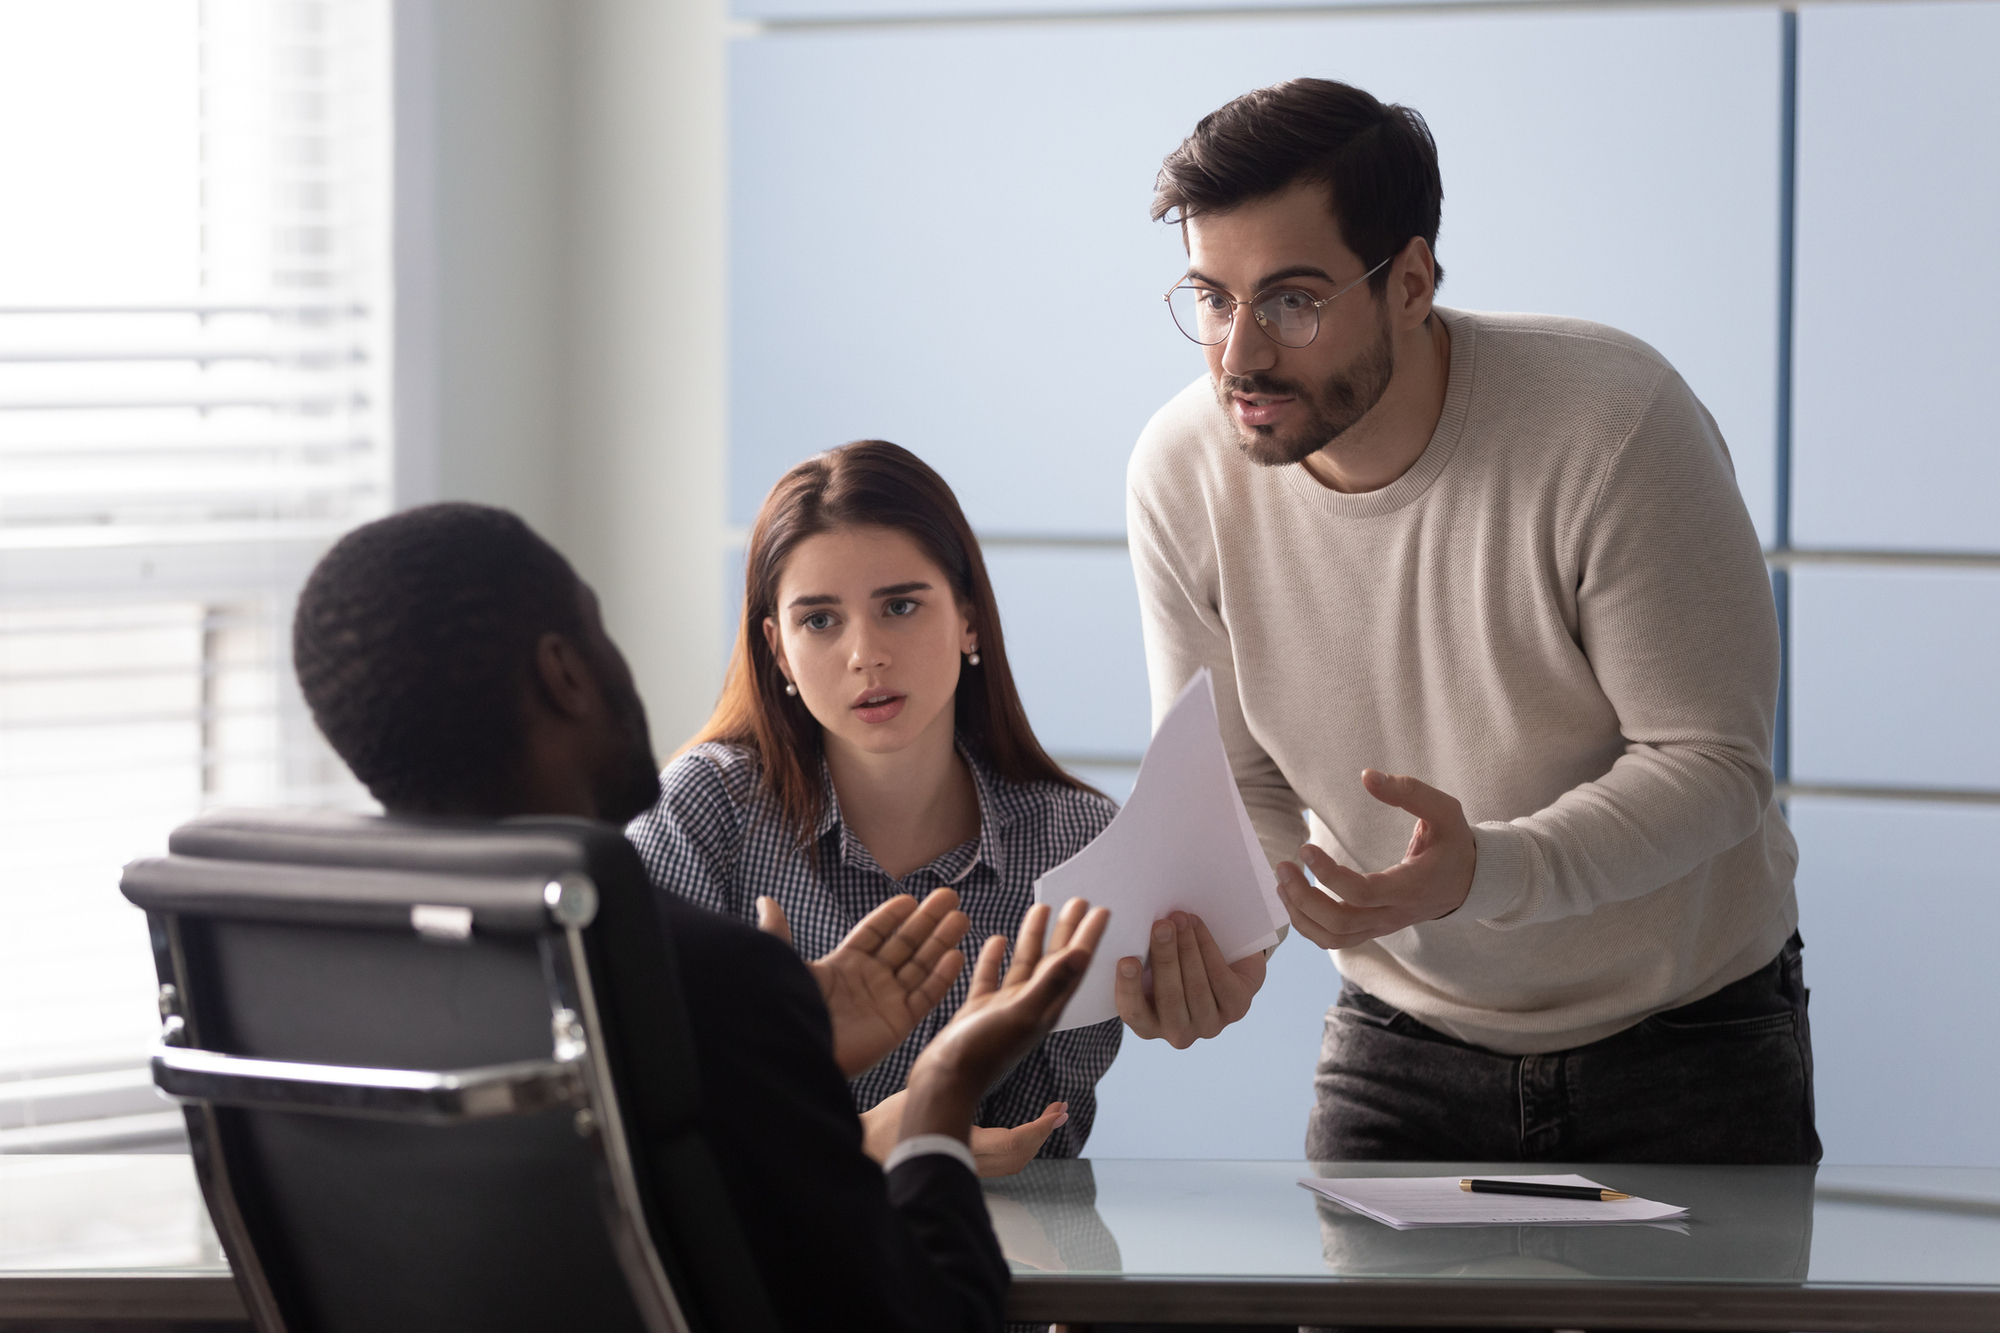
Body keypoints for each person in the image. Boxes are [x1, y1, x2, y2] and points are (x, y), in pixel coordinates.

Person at [1128, 78, 1817, 1165]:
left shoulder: (1613, 423)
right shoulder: (1179, 470)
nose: (1239, 358)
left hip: (1687, 1038)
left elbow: (1711, 763)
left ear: (1410, 281)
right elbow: (1238, 785)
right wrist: (1233, 929)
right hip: (1399, 1040)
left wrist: (1483, 870)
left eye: (1291, 301)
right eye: (1211, 299)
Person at [291, 500, 1112, 1332]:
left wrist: (790, 1053)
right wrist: (940, 1086)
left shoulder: (328, 974)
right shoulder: (682, 966)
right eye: (600, 627)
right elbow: (930, 1316)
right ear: (565, 671)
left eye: (900, 604)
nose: (865, 651)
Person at [628, 440, 1126, 1175]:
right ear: (777, 649)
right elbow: (637, 1108)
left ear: (968, 619)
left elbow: (1044, 1142)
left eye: (900, 606)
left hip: (985, 1255)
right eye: (820, 621)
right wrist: (875, 1134)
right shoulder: (704, 810)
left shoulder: (1075, 840)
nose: (866, 654)